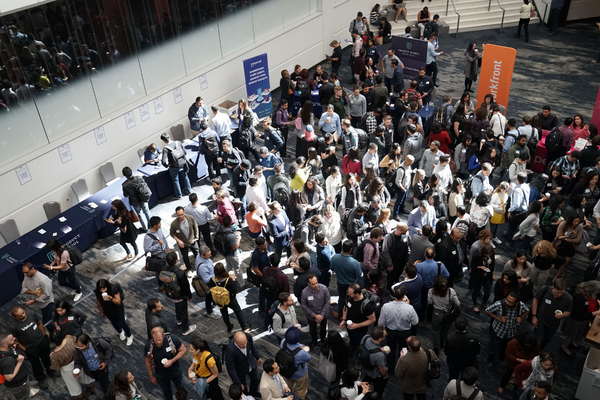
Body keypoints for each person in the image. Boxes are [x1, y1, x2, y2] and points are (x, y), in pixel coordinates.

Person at [9, 306, 57, 390]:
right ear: (14, 317)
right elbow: (14, 341)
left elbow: (39, 323)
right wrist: (25, 350)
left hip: (42, 342)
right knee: (36, 364)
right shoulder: (13, 326)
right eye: (20, 315)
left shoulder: (31, 313)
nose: (23, 315)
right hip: (30, 348)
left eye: (23, 312)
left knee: (47, 358)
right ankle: (41, 379)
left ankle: (51, 370)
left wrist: (44, 335)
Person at [485, 293, 530, 373]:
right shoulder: (499, 304)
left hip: (510, 332)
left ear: (516, 303)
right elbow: (488, 310)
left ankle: (500, 360)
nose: (507, 303)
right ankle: (490, 362)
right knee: (493, 348)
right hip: (498, 331)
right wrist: (498, 318)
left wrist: (521, 318)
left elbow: (527, 310)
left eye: (511, 302)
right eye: (507, 300)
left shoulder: (520, 305)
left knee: (505, 349)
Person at [378, 285, 418, 374]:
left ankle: (391, 368)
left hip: (390, 332)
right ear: (404, 295)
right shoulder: (409, 308)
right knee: (403, 350)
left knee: (390, 349)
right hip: (405, 332)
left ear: (394, 294)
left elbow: (380, 323)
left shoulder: (386, 306)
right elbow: (415, 322)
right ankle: (402, 367)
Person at [144, 327, 187, 400]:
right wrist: (151, 376)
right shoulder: (148, 346)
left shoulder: (172, 340)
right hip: (161, 375)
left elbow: (183, 350)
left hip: (175, 372)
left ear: (163, 335)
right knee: (166, 392)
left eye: (160, 339)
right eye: (156, 340)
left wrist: (172, 360)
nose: (158, 342)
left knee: (181, 390)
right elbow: (148, 362)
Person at [561, 280, 600, 355]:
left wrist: (597, 301)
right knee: (571, 334)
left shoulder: (586, 291)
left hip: (582, 320)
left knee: (575, 334)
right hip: (575, 320)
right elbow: (578, 314)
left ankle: (571, 342)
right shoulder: (580, 297)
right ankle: (564, 346)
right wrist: (595, 313)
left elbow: (595, 297)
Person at [532, 278, 572, 349]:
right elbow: (535, 300)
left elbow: (568, 311)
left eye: (561, 293)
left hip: (553, 324)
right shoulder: (545, 289)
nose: (559, 295)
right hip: (541, 320)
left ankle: (539, 352)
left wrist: (562, 315)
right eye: (557, 292)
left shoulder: (568, 298)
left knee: (546, 340)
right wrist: (534, 316)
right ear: (553, 287)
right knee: (537, 340)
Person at [93, 278, 134, 345]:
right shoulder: (98, 291)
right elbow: (98, 301)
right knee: (114, 323)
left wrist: (110, 298)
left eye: (104, 289)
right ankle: (120, 332)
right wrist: (101, 311)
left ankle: (129, 336)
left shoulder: (113, 288)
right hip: (108, 310)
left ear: (107, 286)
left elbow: (118, 302)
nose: (102, 291)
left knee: (122, 323)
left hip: (117, 309)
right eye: (100, 289)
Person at [395, 336, 437, 400]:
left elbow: (398, 373)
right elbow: (436, 362)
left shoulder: (404, 359)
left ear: (409, 347)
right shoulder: (429, 353)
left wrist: (401, 358)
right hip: (423, 383)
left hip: (408, 386)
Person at [21, 262, 55, 336]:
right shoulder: (27, 276)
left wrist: (34, 301)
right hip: (38, 302)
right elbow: (23, 288)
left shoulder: (43, 280)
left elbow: (47, 295)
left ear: (32, 269)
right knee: (51, 312)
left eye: (26, 272)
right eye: (24, 273)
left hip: (46, 303)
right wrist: (33, 293)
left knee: (47, 322)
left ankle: (54, 333)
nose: (25, 275)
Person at [225, 331, 263, 398]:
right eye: (242, 344)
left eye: (245, 343)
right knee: (243, 387)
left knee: (256, 379)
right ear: (235, 342)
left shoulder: (248, 337)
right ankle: (246, 395)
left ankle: (253, 392)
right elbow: (231, 369)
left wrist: (257, 356)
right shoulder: (230, 351)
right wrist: (238, 383)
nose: (245, 345)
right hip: (240, 370)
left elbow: (252, 346)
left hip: (251, 364)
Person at [428, 275, 460, 354]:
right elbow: (458, 304)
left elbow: (429, 302)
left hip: (436, 313)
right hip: (447, 313)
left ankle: (436, 348)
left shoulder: (431, 291)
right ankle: (442, 342)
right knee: (445, 328)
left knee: (436, 331)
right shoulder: (451, 291)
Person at [331, 240, 362, 319]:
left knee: (341, 297)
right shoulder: (354, 262)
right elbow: (359, 275)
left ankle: (341, 314)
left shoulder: (334, 257)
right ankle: (350, 315)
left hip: (340, 281)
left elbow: (332, 268)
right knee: (351, 299)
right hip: (351, 284)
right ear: (351, 249)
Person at [444, 318, 481, 382]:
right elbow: (477, 351)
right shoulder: (473, 338)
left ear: (455, 326)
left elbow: (447, 352)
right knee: (465, 378)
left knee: (452, 378)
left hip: (454, 363)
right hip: (468, 362)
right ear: (466, 327)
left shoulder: (450, 339)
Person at [279, 327, 311, 399]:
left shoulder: (283, 342)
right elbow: (308, 358)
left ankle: (288, 396)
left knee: (288, 387)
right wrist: (304, 348)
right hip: (299, 374)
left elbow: (294, 345)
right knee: (301, 390)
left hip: (286, 371)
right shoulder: (301, 353)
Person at [160, 132, 192, 200]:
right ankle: (189, 190)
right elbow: (185, 152)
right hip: (183, 163)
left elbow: (163, 161)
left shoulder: (166, 148)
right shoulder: (178, 142)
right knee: (185, 177)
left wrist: (167, 165)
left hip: (174, 166)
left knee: (175, 181)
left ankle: (179, 195)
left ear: (164, 140)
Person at [0, 332, 31, 399]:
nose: (14, 338)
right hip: (19, 385)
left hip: (21, 378)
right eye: (11, 339)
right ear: (5, 344)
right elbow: (9, 378)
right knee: (23, 397)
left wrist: (11, 349)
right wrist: (20, 362)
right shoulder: (7, 360)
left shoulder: (5, 348)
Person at [170, 206, 199, 276]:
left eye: (182, 214)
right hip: (183, 244)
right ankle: (189, 269)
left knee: (197, 254)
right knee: (185, 257)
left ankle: (199, 266)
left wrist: (196, 236)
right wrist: (178, 241)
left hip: (192, 241)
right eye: (179, 215)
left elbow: (195, 226)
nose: (181, 216)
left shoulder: (190, 218)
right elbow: (172, 233)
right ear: (176, 214)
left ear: (184, 212)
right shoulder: (174, 224)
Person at [122, 166, 152, 232]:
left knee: (140, 213)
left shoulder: (125, 185)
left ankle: (145, 228)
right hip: (143, 197)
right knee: (147, 211)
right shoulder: (139, 178)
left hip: (135, 201)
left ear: (124, 175)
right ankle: (151, 224)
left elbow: (125, 195)